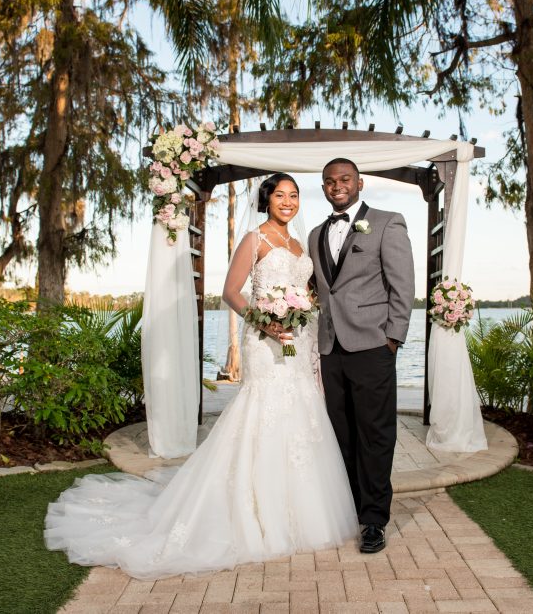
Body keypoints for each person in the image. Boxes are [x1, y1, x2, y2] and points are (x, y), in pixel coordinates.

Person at [44, 173, 357, 579]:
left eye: (294, 195)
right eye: (280, 195)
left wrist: (303, 316)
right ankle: (251, 510)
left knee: (302, 411)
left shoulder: (301, 244)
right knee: (263, 411)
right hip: (264, 342)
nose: (288, 201)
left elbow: (309, 289)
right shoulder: (254, 239)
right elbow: (231, 291)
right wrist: (264, 321)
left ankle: (301, 508)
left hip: (299, 340)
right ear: (267, 200)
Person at [308, 158, 415, 554]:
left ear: (360, 183)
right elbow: (323, 292)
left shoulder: (388, 222)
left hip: (372, 347)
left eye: (345, 179)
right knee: (341, 436)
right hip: (330, 349)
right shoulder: (317, 233)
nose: (338, 185)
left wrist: (393, 340)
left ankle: (374, 521)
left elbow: (403, 287)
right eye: (330, 181)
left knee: (375, 435)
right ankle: (350, 508)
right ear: (324, 188)